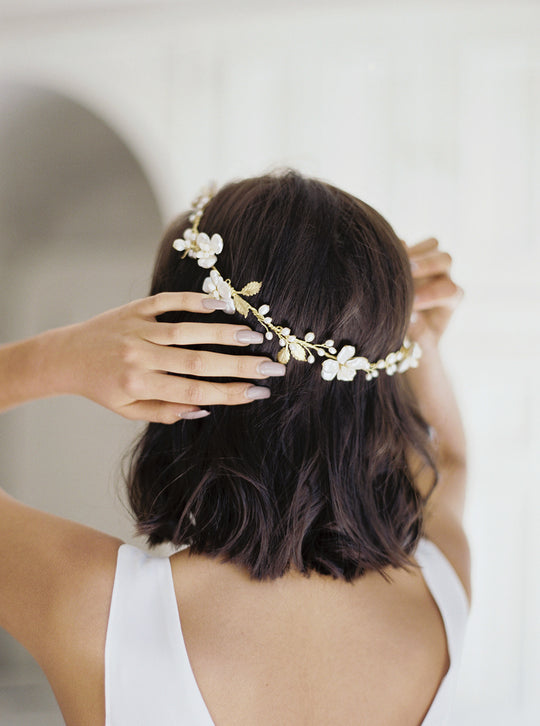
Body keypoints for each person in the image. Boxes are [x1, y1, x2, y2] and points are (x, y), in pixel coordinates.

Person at [0, 170, 469, 726]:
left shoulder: (95, 610)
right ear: (378, 391)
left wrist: (58, 357)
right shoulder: (440, 589)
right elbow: (449, 462)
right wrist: (424, 346)